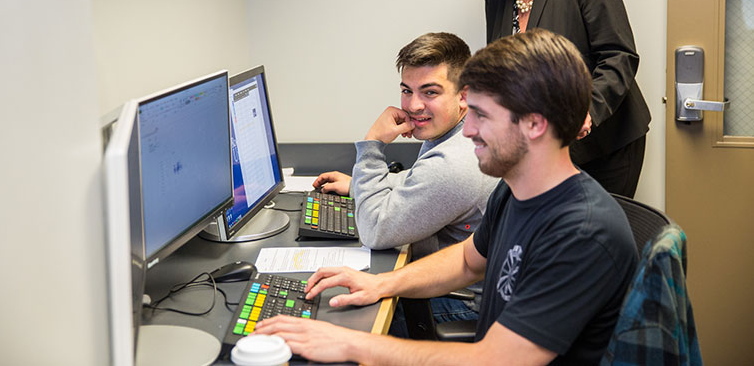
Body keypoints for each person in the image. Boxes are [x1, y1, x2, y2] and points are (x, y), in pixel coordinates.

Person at [255, 29, 639, 365]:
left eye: (482, 116)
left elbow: (496, 361)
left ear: (535, 124)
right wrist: (381, 284)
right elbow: (469, 260)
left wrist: (359, 344)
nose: (467, 131)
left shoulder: (583, 234)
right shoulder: (516, 189)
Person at [477, 0, 651, 198]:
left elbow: (618, 56)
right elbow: (501, 75)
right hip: (541, 149)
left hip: (603, 143)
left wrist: (587, 111)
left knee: (595, 241)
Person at [313, 32, 498, 326]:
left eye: (430, 92)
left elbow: (374, 230)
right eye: (407, 90)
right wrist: (356, 185)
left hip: (464, 304)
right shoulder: (463, 131)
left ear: (464, 95)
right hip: (464, 289)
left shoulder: (454, 162)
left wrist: (373, 143)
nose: (413, 106)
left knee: (339, 314)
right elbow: (421, 182)